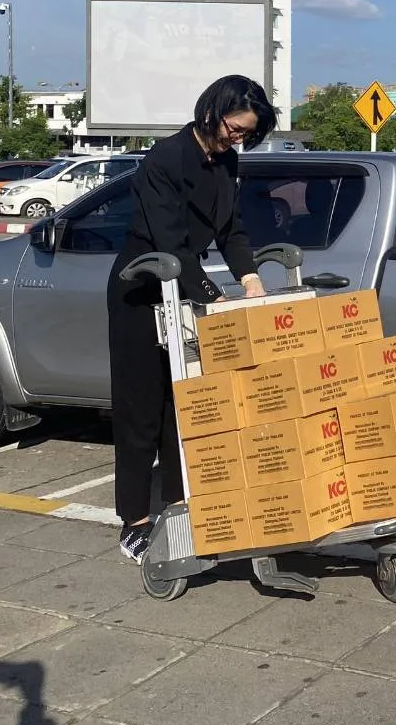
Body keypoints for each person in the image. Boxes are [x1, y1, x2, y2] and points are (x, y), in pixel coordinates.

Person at [107, 75, 278, 563]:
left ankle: (181, 505)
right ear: (211, 112)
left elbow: (231, 229)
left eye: (246, 134)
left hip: (183, 287)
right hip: (143, 285)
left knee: (184, 404)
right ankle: (134, 520)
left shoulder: (226, 162)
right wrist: (213, 297)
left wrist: (249, 279)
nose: (236, 139)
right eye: (234, 128)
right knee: (142, 408)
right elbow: (171, 243)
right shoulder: (165, 159)